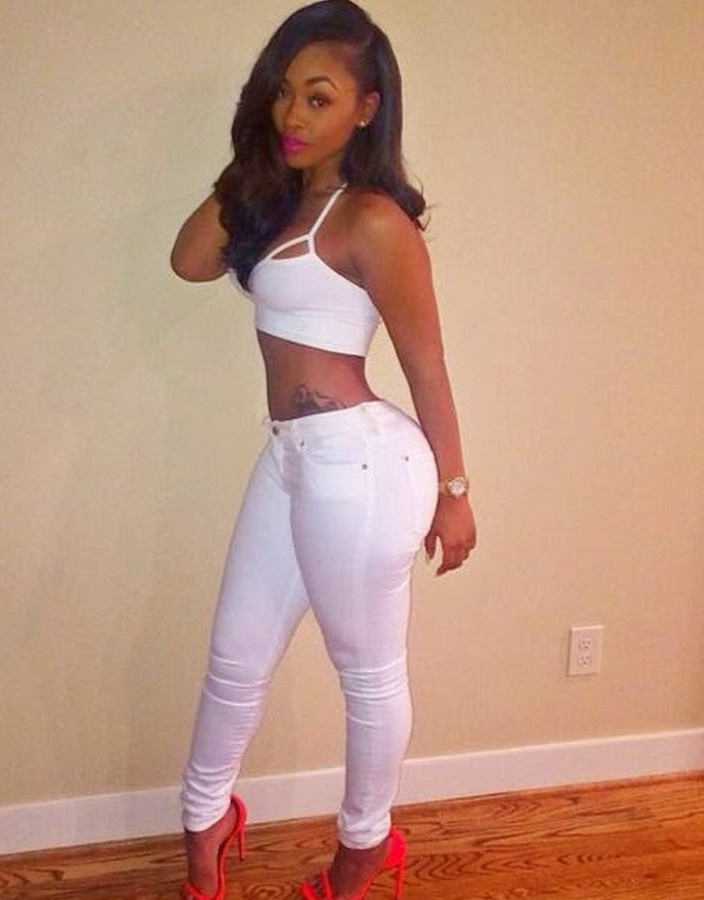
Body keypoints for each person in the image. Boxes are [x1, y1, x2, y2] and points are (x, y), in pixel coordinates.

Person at [170, 2, 476, 897]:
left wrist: (455, 490)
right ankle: (204, 817)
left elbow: (426, 363)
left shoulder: (374, 221)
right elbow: (188, 260)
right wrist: (254, 161)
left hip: (365, 467)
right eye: (283, 95)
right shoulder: (277, 202)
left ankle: (364, 848)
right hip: (292, 458)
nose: (294, 115)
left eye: (319, 97)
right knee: (235, 657)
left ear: (366, 109)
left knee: (367, 677)